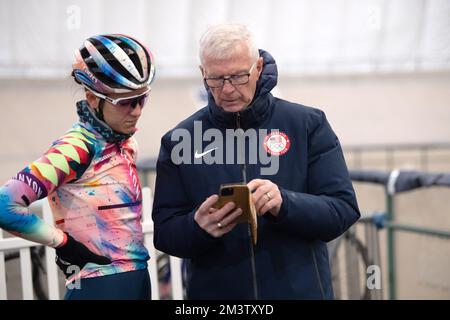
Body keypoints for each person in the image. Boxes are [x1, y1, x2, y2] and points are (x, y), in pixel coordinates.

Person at [152, 23, 360, 299]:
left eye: (238, 77)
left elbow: (343, 210)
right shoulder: (179, 139)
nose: (227, 89)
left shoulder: (307, 125)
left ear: (258, 67)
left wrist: (285, 203)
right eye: (215, 79)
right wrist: (197, 226)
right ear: (203, 74)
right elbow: (165, 233)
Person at [0, 34, 155, 299]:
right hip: (99, 284)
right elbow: (4, 205)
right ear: (93, 99)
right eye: (125, 102)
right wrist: (64, 244)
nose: (137, 111)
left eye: (142, 99)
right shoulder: (77, 147)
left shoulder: (127, 144)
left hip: (137, 278)